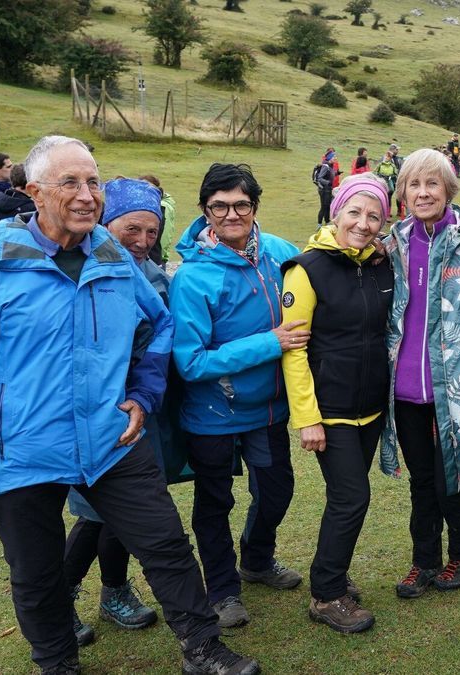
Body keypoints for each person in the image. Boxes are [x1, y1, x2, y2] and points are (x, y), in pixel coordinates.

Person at [0, 135, 259, 675]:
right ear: (34, 192)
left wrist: (144, 395)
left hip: (110, 439)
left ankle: (204, 649)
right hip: (22, 452)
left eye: (94, 182)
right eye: (70, 183)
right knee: (36, 574)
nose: (87, 195)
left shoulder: (113, 260)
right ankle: (59, 665)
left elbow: (160, 326)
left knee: (167, 545)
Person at [170, 163, 305, 629]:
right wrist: (271, 342)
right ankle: (224, 590)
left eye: (241, 204)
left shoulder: (279, 254)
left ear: (254, 206)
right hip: (212, 415)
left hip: (268, 409)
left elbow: (331, 264)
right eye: (219, 206)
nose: (231, 214)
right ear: (205, 211)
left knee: (276, 490)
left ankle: (257, 559)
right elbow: (190, 362)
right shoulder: (192, 279)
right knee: (214, 504)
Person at [381, 148, 460, 599]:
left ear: (449, 190)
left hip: (455, 387)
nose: (423, 192)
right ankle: (424, 561)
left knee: (450, 477)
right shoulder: (392, 244)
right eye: (414, 184)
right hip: (406, 388)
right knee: (421, 480)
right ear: (403, 193)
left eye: (432, 183)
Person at [280, 173, 394, 634]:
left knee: (345, 498)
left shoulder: (381, 263)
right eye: (355, 212)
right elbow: (294, 349)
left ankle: (335, 576)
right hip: (330, 412)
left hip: (370, 408)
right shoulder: (305, 268)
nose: (363, 224)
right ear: (335, 212)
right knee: (352, 498)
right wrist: (307, 418)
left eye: (374, 216)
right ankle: (326, 594)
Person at [61, 177, 168, 646]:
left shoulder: (156, 276)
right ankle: (57, 600)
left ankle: (114, 591)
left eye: (151, 232)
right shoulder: (78, 270)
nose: (142, 242)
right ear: (105, 224)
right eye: (131, 230)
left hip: (141, 410)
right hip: (92, 414)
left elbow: (160, 343)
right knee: (94, 513)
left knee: (125, 513)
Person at [140, 174, 177, 269]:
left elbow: (165, 234)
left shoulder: (162, 207)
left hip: (155, 258)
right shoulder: (146, 205)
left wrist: (163, 256)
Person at [314, 156, 335, 227]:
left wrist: (337, 173)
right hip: (323, 190)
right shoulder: (325, 166)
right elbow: (320, 178)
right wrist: (327, 182)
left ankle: (327, 221)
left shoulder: (330, 166)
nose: (335, 158)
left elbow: (329, 175)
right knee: (323, 206)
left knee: (328, 206)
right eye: (333, 157)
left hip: (328, 189)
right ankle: (319, 224)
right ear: (329, 158)